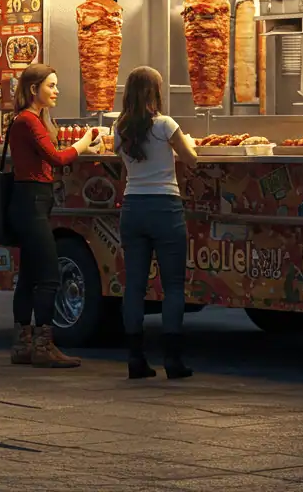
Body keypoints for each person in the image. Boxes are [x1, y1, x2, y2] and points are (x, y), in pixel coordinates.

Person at [8, 63, 99, 368]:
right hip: (31, 201)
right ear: (34, 89)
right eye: (51, 85)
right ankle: (43, 345)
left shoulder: (31, 120)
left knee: (30, 275)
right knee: (48, 276)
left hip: (32, 201)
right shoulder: (28, 121)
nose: (56, 90)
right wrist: (84, 143)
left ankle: (22, 344)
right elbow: (57, 158)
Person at [113, 66, 198, 380]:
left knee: (134, 286)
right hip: (165, 207)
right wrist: (187, 143)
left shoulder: (120, 129)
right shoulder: (165, 125)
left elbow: (122, 164)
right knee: (173, 286)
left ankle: (136, 359)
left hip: (133, 208)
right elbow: (191, 158)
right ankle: (173, 360)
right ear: (155, 93)